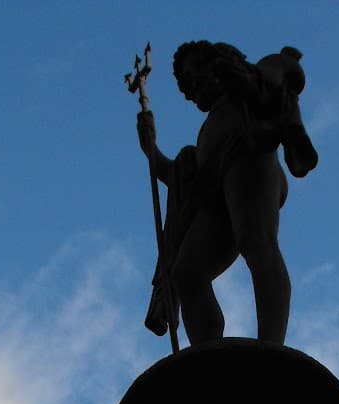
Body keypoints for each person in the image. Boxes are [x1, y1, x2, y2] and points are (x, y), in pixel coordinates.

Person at [136, 42, 317, 346]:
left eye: (194, 77)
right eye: (185, 86)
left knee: (257, 243)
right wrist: (150, 149)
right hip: (214, 189)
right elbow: (183, 181)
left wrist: (249, 76)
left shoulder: (245, 89)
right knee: (188, 272)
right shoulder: (207, 129)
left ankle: (271, 345)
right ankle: (208, 353)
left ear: (217, 65)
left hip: (248, 156)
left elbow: (287, 75)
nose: (190, 90)